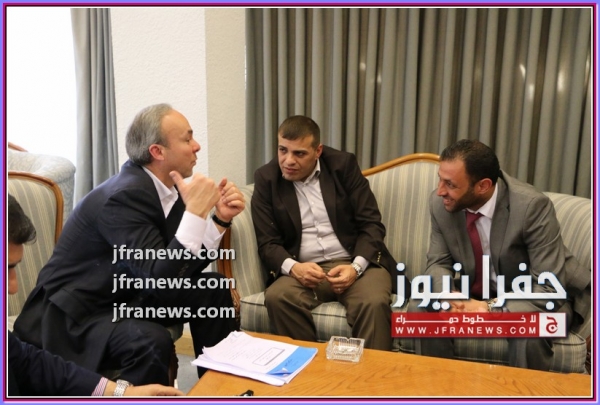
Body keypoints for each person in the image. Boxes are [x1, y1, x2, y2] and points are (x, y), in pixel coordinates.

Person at [14, 104, 245, 385]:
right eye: (187, 139)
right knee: (149, 340)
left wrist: (219, 220)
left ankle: (221, 390)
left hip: (126, 295)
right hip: (79, 314)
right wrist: (195, 214)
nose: (196, 146)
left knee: (213, 290)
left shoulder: (169, 190)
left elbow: (178, 269)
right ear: (157, 151)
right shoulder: (124, 196)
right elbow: (160, 279)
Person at [409, 139, 590, 370]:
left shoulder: (531, 206)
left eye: (450, 184)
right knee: (421, 307)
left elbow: (548, 287)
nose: (440, 191)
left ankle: (522, 390)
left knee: (528, 327)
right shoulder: (440, 204)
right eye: (440, 179)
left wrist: (487, 308)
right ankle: (440, 386)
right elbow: (438, 262)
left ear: (483, 186)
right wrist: (449, 296)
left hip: (538, 295)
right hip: (478, 290)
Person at [7, 194, 183, 396]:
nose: (14, 287)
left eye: (13, 268)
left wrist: (123, 393)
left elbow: (29, 362)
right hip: (67, 316)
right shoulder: (126, 195)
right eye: (6, 268)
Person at [251, 115, 397, 350]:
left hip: (354, 261)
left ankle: (372, 374)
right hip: (305, 268)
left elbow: (371, 224)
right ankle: (307, 369)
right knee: (278, 296)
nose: (288, 161)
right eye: (282, 150)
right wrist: (294, 268)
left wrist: (356, 268)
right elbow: (267, 243)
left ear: (317, 151)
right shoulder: (267, 178)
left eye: (299, 153)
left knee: (373, 302)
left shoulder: (342, 166)